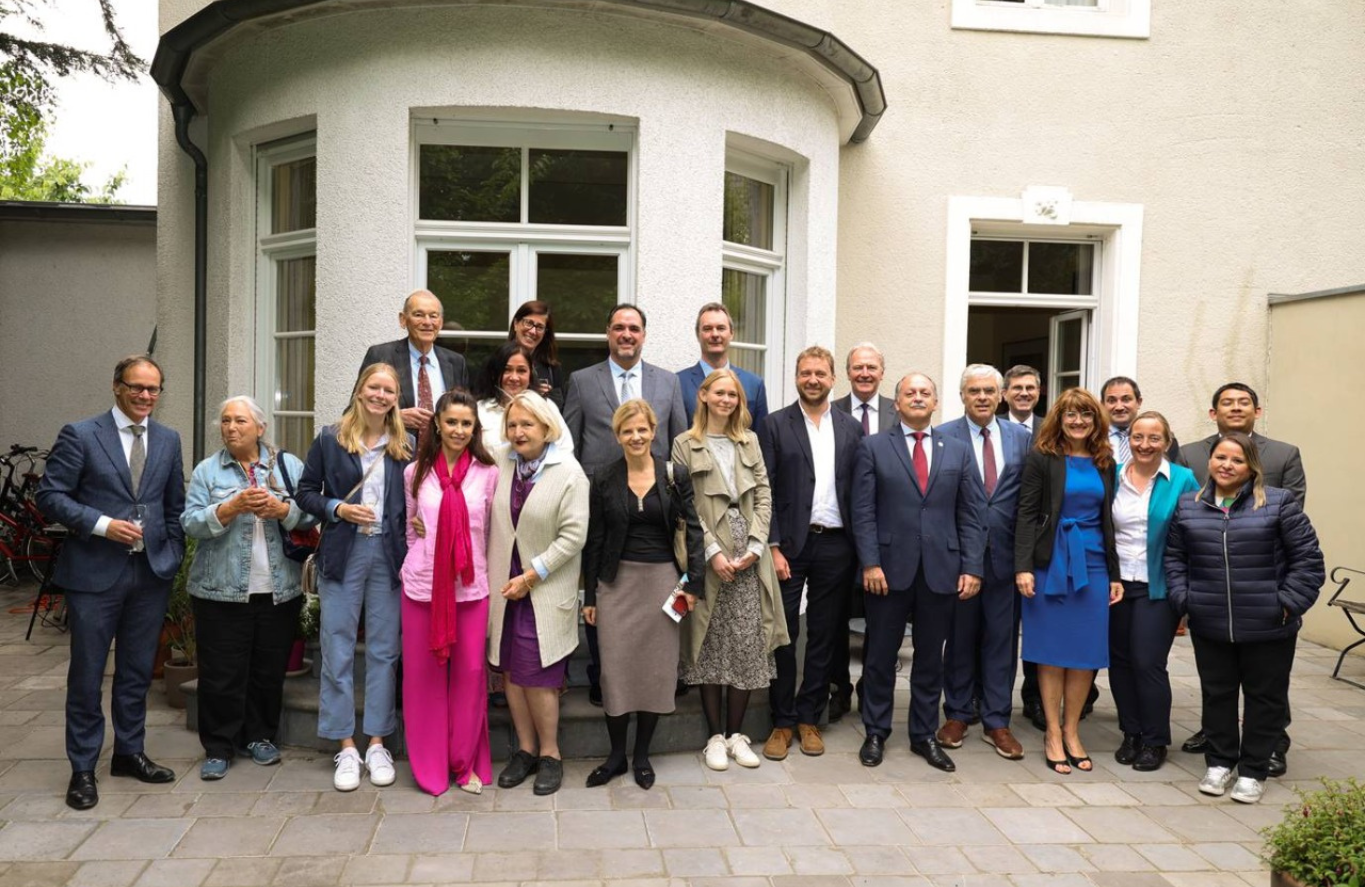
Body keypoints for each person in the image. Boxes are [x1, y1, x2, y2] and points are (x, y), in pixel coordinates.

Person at [37, 355, 186, 810]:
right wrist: (102, 524)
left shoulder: (167, 439)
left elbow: (173, 504)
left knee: (137, 672)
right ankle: (82, 768)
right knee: (87, 675)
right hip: (94, 575)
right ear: (116, 387)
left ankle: (128, 752)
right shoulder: (81, 435)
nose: (146, 396)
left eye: (154, 389)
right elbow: (50, 495)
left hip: (149, 574)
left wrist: (173, 552)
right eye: (137, 387)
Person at [1166, 432, 1324, 804]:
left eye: (1236, 460)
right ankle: (1219, 763)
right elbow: (1175, 558)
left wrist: (1285, 603)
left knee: (1264, 699)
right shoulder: (1189, 506)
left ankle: (1253, 770)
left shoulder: (1278, 503)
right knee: (1217, 694)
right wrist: (1184, 599)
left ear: (1251, 466)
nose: (1226, 465)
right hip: (1210, 621)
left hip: (1269, 624)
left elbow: (1308, 561)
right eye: (1221, 457)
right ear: (1210, 461)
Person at [180, 396, 319, 781]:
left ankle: (260, 736)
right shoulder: (209, 471)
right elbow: (189, 523)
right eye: (225, 421)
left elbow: (310, 513)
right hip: (219, 590)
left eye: (240, 420)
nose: (231, 428)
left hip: (278, 590)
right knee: (220, 672)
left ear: (260, 428)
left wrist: (282, 511)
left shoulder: (287, 466)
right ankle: (219, 747)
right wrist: (229, 508)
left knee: (267, 669)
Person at [853, 372, 985, 772]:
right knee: (879, 655)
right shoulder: (873, 447)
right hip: (888, 571)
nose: (917, 397)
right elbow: (863, 511)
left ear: (936, 402)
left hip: (942, 570)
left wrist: (973, 567)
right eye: (909, 392)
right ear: (896, 403)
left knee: (930, 657)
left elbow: (972, 513)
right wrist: (871, 562)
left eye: (925, 392)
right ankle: (876, 731)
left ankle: (924, 735)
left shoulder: (959, 451)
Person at [1176, 381, 1307, 769]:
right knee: (1218, 681)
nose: (1236, 408)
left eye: (1243, 402)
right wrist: (1187, 598)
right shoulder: (1189, 454)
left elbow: (1297, 529)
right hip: (1212, 592)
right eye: (1227, 403)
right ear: (1213, 412)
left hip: (1264, 587)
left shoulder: (1283, 455)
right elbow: (1183, 526)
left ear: (1257, 410)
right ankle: (1218, 739)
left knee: (1266, 682)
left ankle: (1269, 744)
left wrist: (1286, 600)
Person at [563, 303, 687, 705]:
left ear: (644, 335)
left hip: (656, 510)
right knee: (604, 583)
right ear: (608, 333)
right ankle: (604, 677)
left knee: (657, 600)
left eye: (634, 328)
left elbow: (679, 442)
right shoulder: (582, 381)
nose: (626, 335)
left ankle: (657, 677)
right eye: (619, 328)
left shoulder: (667, 382)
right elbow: (569, 445)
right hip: (602, 507)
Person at [296, 363, 412, 792]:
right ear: (360, 390)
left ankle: (377, 741)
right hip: (344, 552)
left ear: (396, 397)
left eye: (389, 389)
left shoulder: (406, 444)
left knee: (384, 651)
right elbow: (305, 492)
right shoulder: (331, 438)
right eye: (374, 387)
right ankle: (346, 745)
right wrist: (338, 509)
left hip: (389, 554)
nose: (381, 395)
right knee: (337, 648)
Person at [581, 400, 705, 789]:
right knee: (614, 672)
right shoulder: (603, 478)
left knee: (655, 672)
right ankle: (616, 756)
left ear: (653, 432)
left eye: (642, 429)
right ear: (617, 436)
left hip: (664, 584)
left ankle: (641, 756)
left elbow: (695, 530)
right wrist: (590, 597)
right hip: (616, 586)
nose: (635, 437)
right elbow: (594, 540)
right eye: (627, 431)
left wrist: (694, 585)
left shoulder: (674, 474)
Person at [671, 369, 787, 772]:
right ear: (703, 395)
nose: (726, 400)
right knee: (710, 643)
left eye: (733, 395)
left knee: (743, 643)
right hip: (711, 555)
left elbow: (765, 494)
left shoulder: (749, 441)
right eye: (719, 393)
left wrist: (757, 546)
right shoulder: (685, 444)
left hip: (749, 555)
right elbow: (686, 505)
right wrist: (713, 552)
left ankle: (737, 736)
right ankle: (714, 738)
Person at [759, 346, 862, 761]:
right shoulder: (774, 425)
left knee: (824, 634)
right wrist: (773, 545)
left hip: (837, 544)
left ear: (833, 378)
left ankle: (809, 717)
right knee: (784, 636)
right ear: (796, 377)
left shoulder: (852, 428)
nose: (813, 379)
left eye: (820, 373)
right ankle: (782, 722)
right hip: (789, 546)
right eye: (806, 373)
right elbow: (763, 489)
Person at [1014, 387, 1123, 775]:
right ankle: (1052, 734)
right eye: (1070, 415)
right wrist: (1022, 567)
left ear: (1096, 421)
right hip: (1049, 563)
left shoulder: (1104, 461)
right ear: (1059, 419)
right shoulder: (1043, 458)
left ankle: (1073, 730)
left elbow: (1109, 520)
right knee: (1052, 653)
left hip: (1092, 564)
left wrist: (1114, 573)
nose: (1078, 422)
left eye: (1086, 415)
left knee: (1084, 654)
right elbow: (1026, 514)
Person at [487, 391, 590, 796]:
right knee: (511, 671)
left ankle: (550, 754)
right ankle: (525, 750)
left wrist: (531, 575)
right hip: (503, 585)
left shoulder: (569, 472)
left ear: (547, 427)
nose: (518, 432)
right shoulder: (500, 464)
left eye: (527, 424)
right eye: (512, 425)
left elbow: (574, 536)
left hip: (541, 586)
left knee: (540, 675)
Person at [400, 390, 499, 796]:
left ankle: (464, 762)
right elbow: (410, 528)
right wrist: (426, 550)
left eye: (466, 423)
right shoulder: (415, 474)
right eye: (452, 422)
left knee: (470, 677)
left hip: (471, 589)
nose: (459, 430)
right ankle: (430, 766)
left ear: (475, 428)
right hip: (423, 589)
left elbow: (492, 534)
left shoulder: (489, 473)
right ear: (437, 424)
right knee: (424, 680)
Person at [935, 365, 1032, 760]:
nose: (982, 397)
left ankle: (997, 720)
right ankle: (957, 713)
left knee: (1002, 641)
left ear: (1002, 395)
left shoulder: (1022, 439)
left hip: (1008, 558)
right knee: (959, 639)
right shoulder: (943, 438)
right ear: (962, 395)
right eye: (973, 390)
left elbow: (1028, 501)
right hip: (959, 557)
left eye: (989, 391)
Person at [1107, 410, 1200, 772]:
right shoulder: (1113, 476)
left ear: (1167, 441)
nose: (1145, 445)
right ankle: (1130, 733)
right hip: (1116, 584)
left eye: (1154, 438)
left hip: (1158, 586)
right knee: (1120, 662)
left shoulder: (1183, 479)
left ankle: (1155, 739)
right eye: (1137, 437)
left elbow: (1197, 532)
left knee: (1147, 662)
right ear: (1129, 439)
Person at [829, 341, 895, 719]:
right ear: (848, 373)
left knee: (880, 619)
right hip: (840, 532)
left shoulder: (897, 411)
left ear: (882, 372)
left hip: (884, 533)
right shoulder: (832, 410)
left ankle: (872, 687)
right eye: (858, 368)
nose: (865, 374)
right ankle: (838, 688)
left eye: (871, 367)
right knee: (836, 615)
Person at [359, 289, 469, 434]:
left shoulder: (456, 363)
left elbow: (467, 413)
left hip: (442, 454)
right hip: (393, 451)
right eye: (419, 315)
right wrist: (394, 418)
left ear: (441, 322)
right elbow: (355, 410)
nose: (427, 322)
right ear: (403, 320)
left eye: (433, 316)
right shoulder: (381, 355)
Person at [676, 302, 770, 429]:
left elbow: (760, 442)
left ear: (731, 333)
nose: (715, 334)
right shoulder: (677, 383)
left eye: (721, 328)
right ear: (698, 335)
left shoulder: (754, 385)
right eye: (707, 329)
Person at [474, 341, 573, 455]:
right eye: (507, 370)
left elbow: (565, 451)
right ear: (495, 373)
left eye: (521, 371)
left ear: (530, 374)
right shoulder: (479, 411)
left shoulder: (547, 407)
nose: (514, 377)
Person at [1100, 376, 1181, 465]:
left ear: (1139, 402)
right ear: (1102, 405)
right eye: (1112, 401)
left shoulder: (1165, 439)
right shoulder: (1092, 439)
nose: (1119, 407)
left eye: (1126, 399)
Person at [508, 300, 566, 409]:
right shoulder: (497, 362)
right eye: (528, 323)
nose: (533, 331)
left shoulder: (552, 369)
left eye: (539, 327)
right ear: (516, 324)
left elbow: (560, 411)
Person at [1003, 365, 1042, 432]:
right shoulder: (992, 427)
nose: (1024, 393)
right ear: (1004, 394)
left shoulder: (1051, 427)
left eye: (1030, 388)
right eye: (1017, 388)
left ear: (1038, 392)